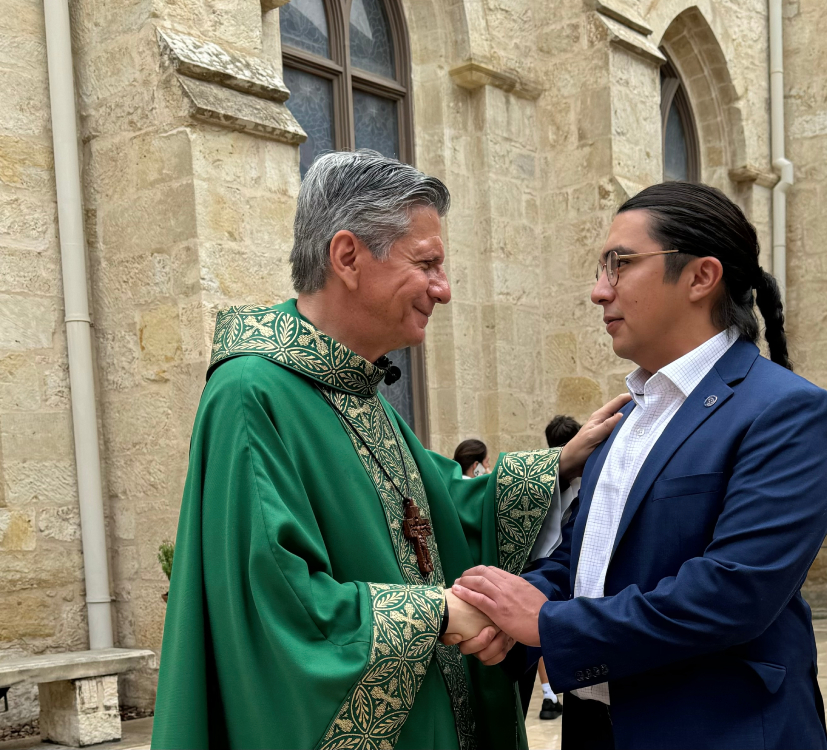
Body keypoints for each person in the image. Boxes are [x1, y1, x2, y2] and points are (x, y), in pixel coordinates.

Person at [151, 150, 630, 750]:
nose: (444, 289)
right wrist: (438, 615)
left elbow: (441, 507)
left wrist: (555, 466)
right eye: (426, 263)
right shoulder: (252, 395)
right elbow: (275, 602)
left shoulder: (356, 387)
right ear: (347, 256)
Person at [452, 182, 827, 749]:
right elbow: (580, 559)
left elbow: (733, 593)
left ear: (700, 277)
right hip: (597, 727)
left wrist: (548, 624)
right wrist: (504, 608)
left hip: (714, 730)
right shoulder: (630, 416)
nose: (597, 291)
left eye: (620, 264)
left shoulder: (785, 411)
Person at [518, 416, 582, 720]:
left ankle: (550, 695)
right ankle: (548, 696)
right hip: (547, 586)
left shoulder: (595, 483)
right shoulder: (545, 486)